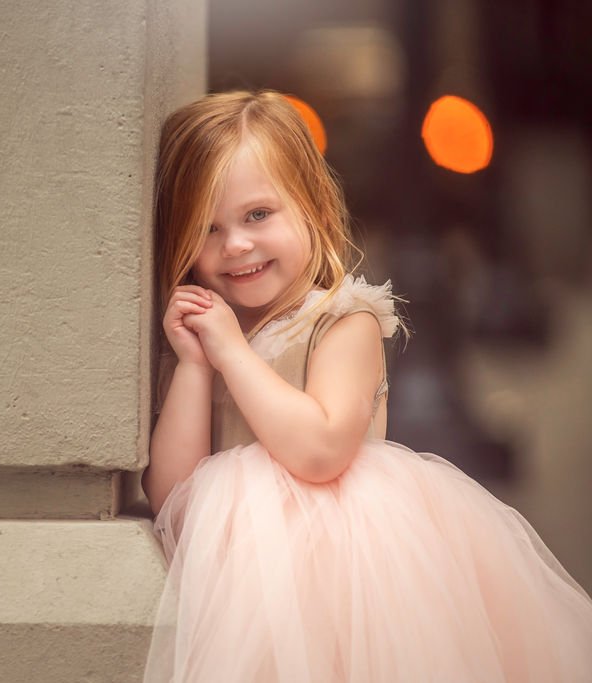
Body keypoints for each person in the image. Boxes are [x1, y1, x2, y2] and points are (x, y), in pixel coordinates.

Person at [140, 90, 592, 682]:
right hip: (249, 588)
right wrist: (197, 365)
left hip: (348, 582)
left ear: (314, 208)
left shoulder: (343, 320)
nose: (236, 245)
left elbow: (320, 451)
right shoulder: (215, 333)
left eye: (258, 215)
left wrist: (228, 352)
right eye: (207, 228)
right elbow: (172, 493)